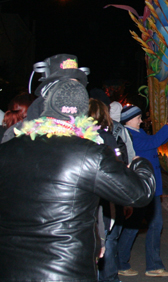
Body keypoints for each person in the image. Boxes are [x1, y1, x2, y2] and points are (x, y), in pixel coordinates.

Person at [0, 78, 156, 281]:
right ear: (83, 113)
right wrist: (140, 164)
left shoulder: (7, 149)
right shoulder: (90, 153)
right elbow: (139, 193)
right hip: (66, 271)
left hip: (10, 269)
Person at [117, 105, 168, 278]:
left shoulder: (138, 133)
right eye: (137, 117)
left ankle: (149, 265)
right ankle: (126, 263)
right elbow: (152, 143)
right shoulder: (129, 136)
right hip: (142, 187)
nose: (141, 120)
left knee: (149, 225)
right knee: (139, 226)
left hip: (150, 187)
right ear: (129, 120)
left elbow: (152, 141)